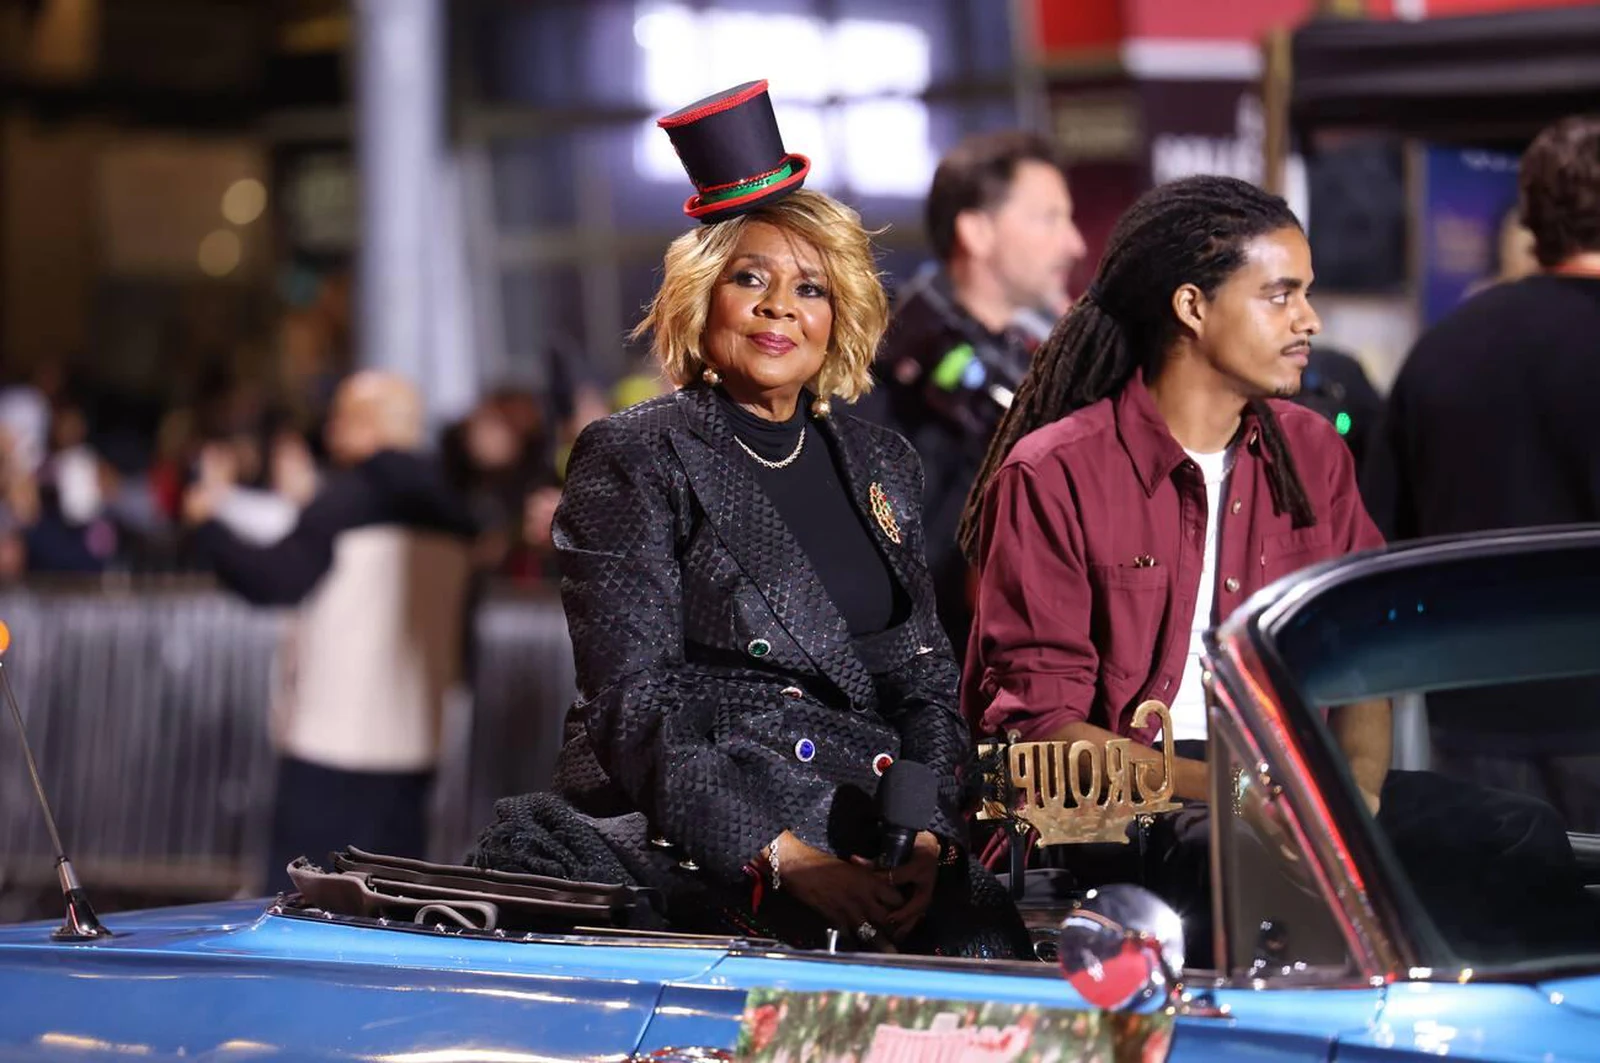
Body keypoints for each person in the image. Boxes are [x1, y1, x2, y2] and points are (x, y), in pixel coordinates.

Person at [469, 81, 1029, 959]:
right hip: (708, 839)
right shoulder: (633, 453)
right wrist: (785, 859)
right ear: (703, 300)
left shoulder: (882, 460)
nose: (780, 307)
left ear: (839, 315)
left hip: (877, 825)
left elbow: (925, 681)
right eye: (750, 279)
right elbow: (633, 704)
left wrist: (927, 837)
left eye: (810, 287)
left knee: (995, 959)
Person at [958, 174, 1583, 961]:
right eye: (1280, 295)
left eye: (1306, 294)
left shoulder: (1313, 451)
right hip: (1110, 801)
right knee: (1242, 863)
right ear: (1192, 307)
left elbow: (1367, 658)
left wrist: (1350, 794)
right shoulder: (1054, 471)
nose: (1309, 320)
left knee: (1522, 836)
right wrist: (1243, 791)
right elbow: (1041, 740)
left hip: (1291, 783)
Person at [1362, 114, 1600, 830]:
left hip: (1469, 722)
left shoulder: (1443, 349)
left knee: (1499, 897)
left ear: (1530, 218)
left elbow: (1379, 541)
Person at [185, 370, 477, 891]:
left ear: (366, 425)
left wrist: (208, 526)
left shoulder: (347, 499)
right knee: (392, 901)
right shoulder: (456, 513)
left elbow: (275, 580)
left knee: (304, 896)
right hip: (415, 739)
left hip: (332, 737)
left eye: (340, 417)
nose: (331, 430)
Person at [859, 132, 1086, 662]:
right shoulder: (880, 376)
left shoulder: (1030, 361)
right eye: (1049, 219)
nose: (1074, 244)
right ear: (977, 231)